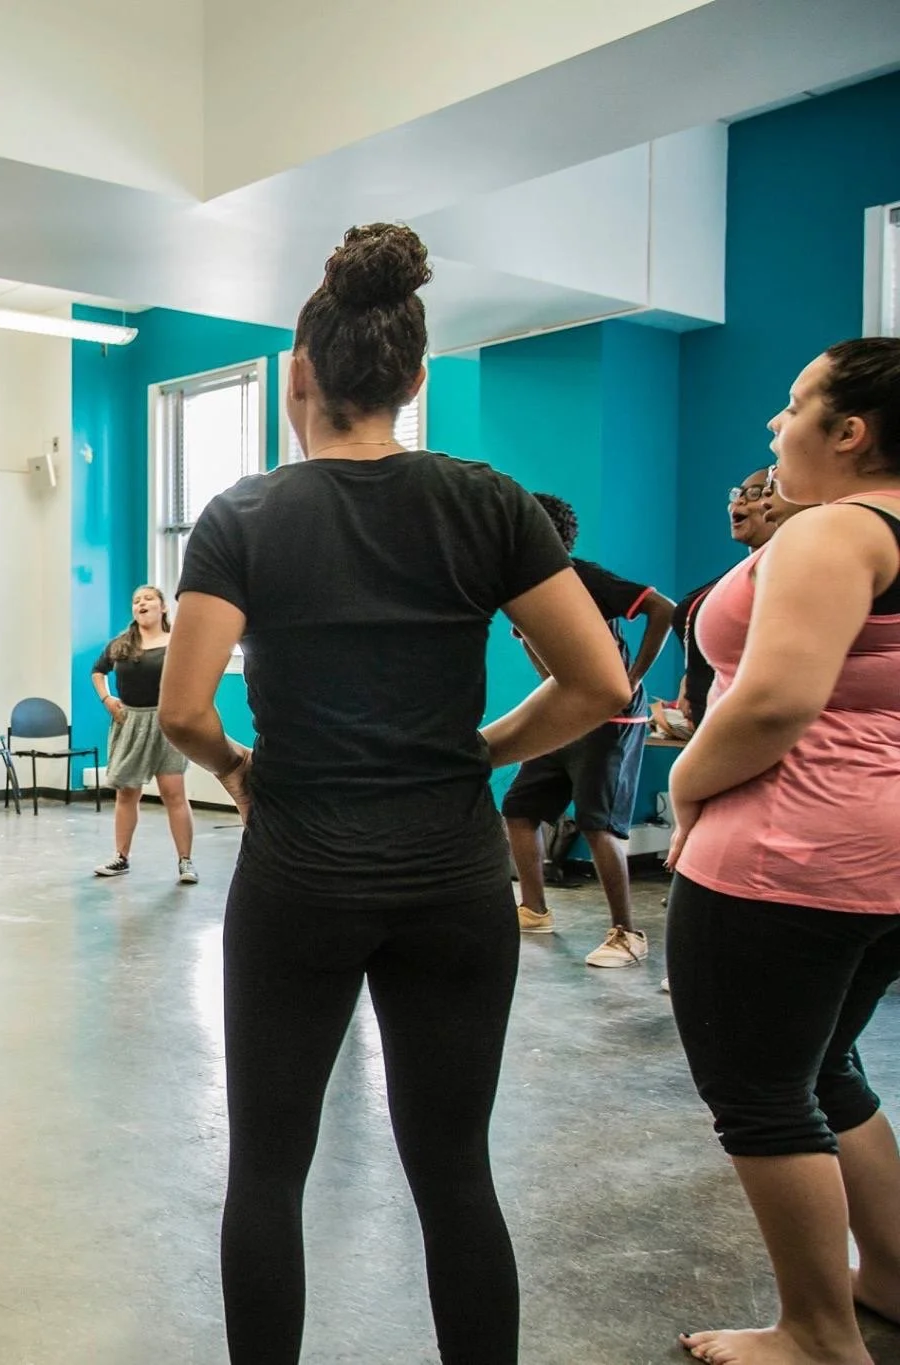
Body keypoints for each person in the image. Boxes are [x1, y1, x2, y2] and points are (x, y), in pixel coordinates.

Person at [158, 223, 631, 1365]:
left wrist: (236, 770)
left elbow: (181, 711)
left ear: (299, 377)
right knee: (454, 1173)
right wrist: (483, 749)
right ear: (413, 382)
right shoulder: (487, 501)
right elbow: (598, 682)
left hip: (300, 877)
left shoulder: (242, 516)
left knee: (266, 1175)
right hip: (451, 878)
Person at [666, 338, 900, 1365]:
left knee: (761, 1091)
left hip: (788, 854)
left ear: (848, 431)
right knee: (825, 1066)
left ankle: (815, 1333)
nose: (774, 424)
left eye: (794, 404)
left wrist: (684, 785)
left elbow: (770, 703)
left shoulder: (836, 530)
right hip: (879, 858)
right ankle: (887, 1274)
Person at [501, 493, 675, 968]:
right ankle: (534, 910)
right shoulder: (523, 585)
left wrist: (632, 679)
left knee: (599, 825)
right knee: (519, 811)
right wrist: (554, 694)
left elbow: (662, 608)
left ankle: (627, 933)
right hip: (563, 718)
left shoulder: (583, 577)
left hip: (610, 720)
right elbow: (535, 646)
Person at [667, 468, 808, 731]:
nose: (739, 502)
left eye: (756, 493)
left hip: (746, 730)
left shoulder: (793, 577)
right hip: (709, 721)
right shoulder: (736, 579)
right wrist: (692, 676)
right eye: (737, 494)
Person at [90, 585, 196, 884]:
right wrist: (107, 699)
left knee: (173, 793)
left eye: (148, 599)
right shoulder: (121, 644)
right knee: (126, 793)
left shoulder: (177, 642)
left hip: (165, 722)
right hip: (131, 722)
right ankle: (121, 857)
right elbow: (98, 671)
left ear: (163, 607)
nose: (141, 604)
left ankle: (185, 861)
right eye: (136, 601)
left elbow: (195, 675)